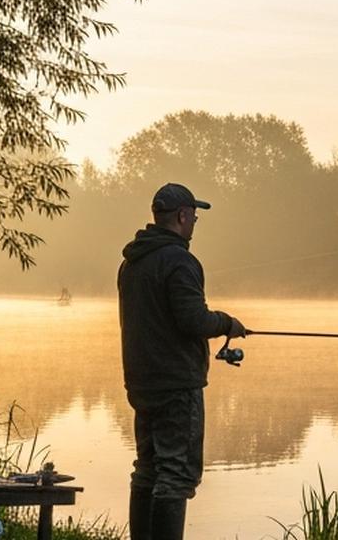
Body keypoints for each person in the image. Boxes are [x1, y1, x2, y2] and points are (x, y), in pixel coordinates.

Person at [117, 182, 248, 540]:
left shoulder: (131, 262)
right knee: (175, 475)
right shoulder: (180, 260)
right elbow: (193, 320)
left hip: (141, 382)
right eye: (193, 216)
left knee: (147, 469)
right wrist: (228, 323)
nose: (194, 223)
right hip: (176, 385)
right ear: (181, 216)